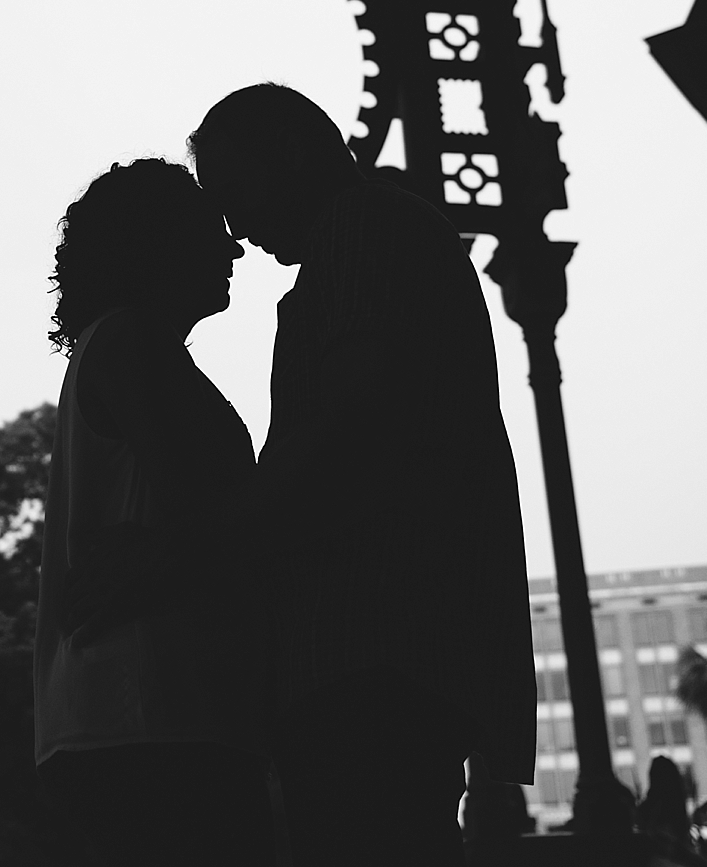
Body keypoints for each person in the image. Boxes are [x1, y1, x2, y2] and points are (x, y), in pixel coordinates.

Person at [188, 83, 536, 866]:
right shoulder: (394, 232)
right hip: (405, 644)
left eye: (233, 194)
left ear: (286, 154)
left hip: (366, 645)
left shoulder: (361, 229)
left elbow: (344, 418)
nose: (235, 229)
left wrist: (216, 540)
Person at [33, 158, 274, 866]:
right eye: (208, 231)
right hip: (153, 710)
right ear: (155, 243)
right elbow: (211, 514)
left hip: (134, 713)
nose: (231, 249)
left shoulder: (118, 347)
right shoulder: (131, 342)